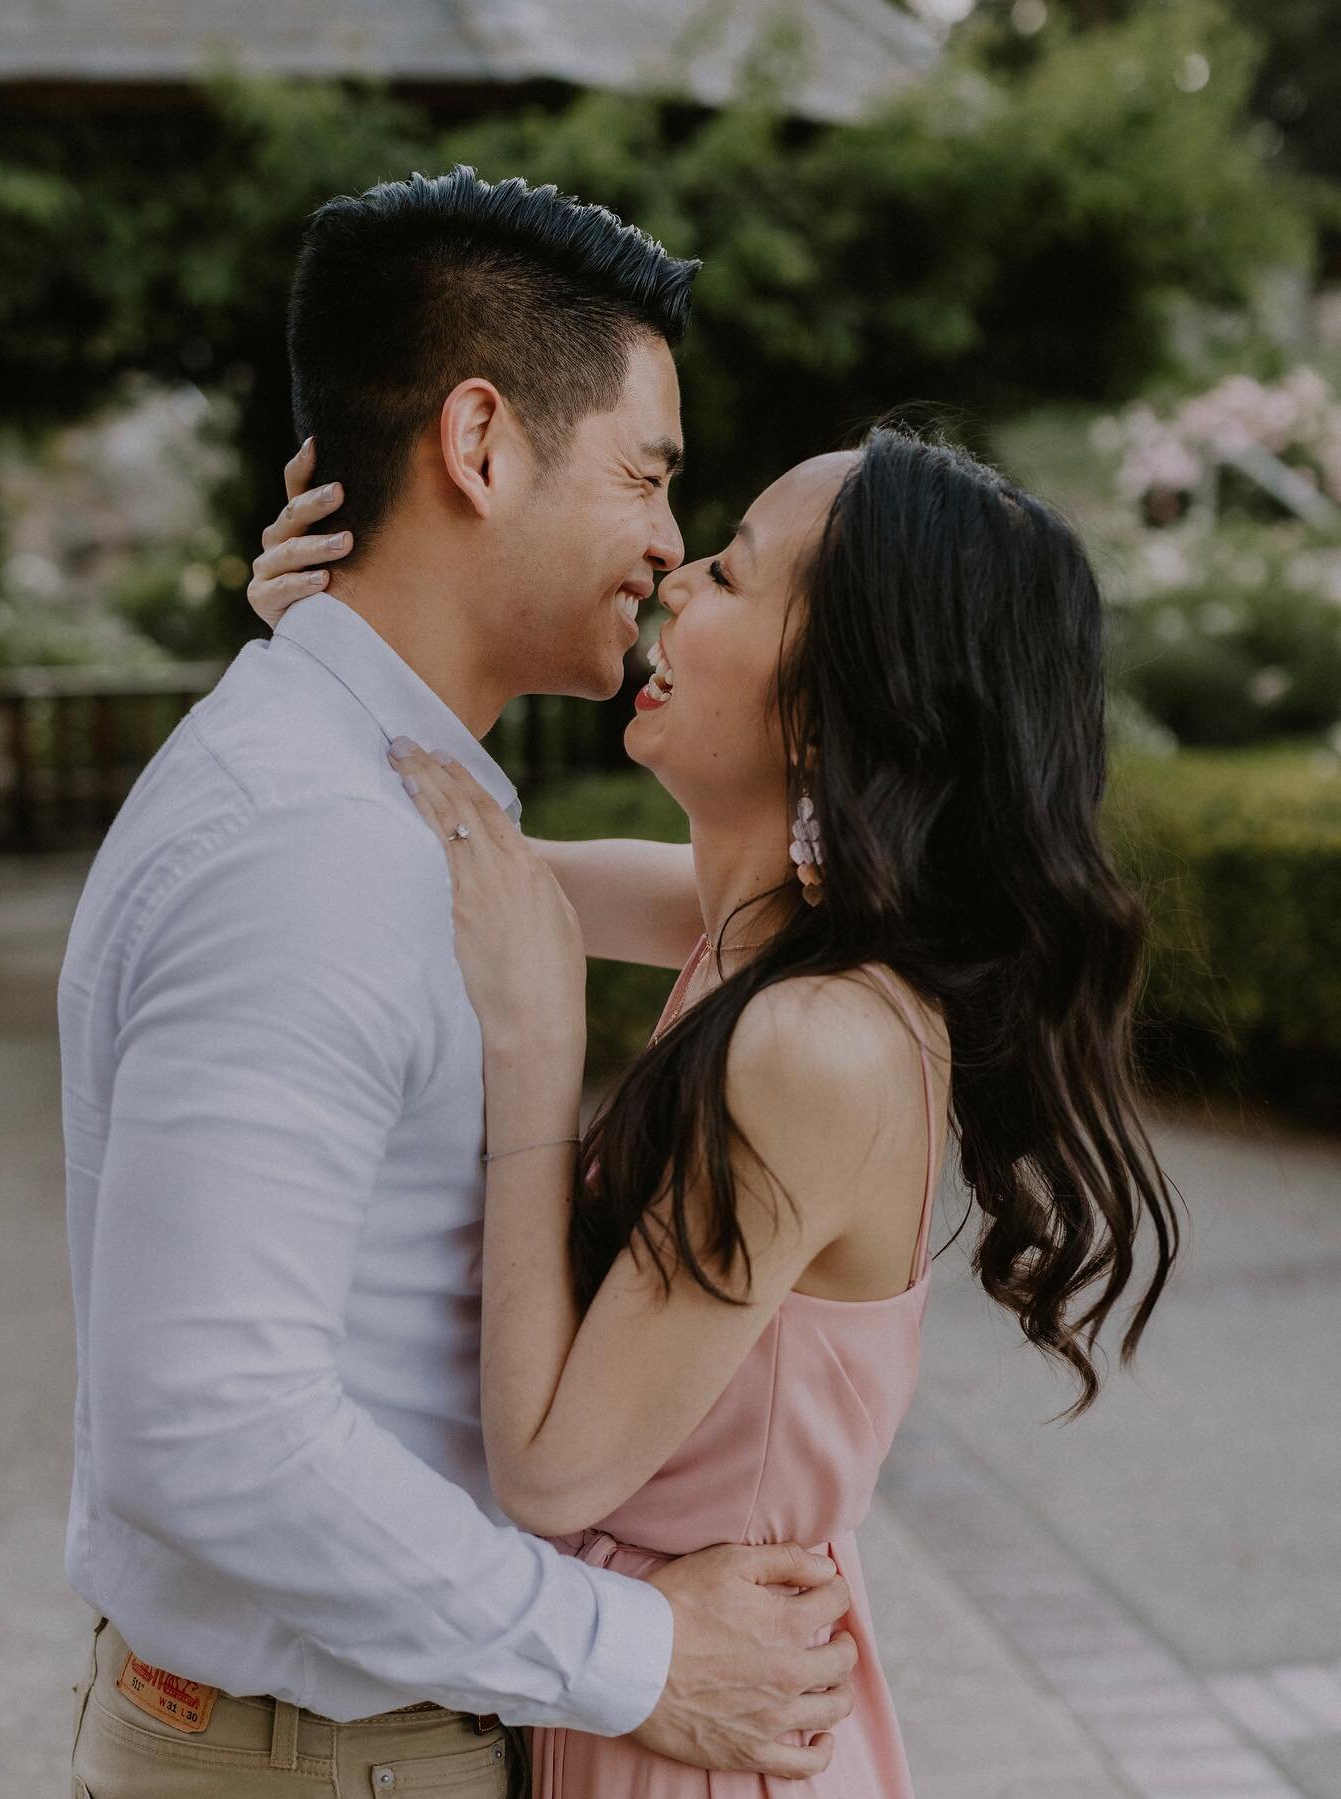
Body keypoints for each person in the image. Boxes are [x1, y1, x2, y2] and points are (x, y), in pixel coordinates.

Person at [61, 168, 858, 1799]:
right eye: (651, 479)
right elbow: (207, 1424)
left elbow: (758, 897)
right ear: (480, 443)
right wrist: (637, 1657)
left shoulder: (384, 793)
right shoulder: (316, 840)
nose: (663, 546)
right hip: (326, 1756)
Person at [250, 421, 1180, 1798]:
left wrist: (535, 1048)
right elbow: (438, 854)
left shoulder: (818, 1043)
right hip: (649, 1692)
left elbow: (555, 1473)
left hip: (694, 1748)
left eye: (737, 574)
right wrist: (329, 655)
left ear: (837, 701)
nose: (678, 576)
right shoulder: (758, 934)